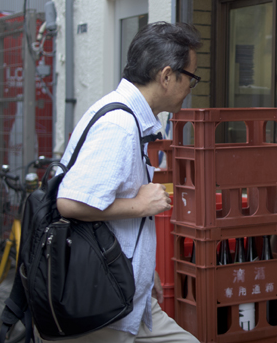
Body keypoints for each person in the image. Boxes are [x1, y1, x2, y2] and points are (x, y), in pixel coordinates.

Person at [56, 22, 201, 343]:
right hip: (101, 299)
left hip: (124, 290)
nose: (192, 87)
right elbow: (70, 202)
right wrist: (142, 205)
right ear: (166, 76)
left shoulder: (129, 117)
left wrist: (144, 269)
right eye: (191, 77)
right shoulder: (119, 125)